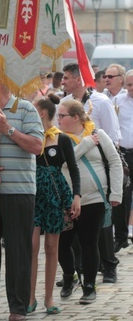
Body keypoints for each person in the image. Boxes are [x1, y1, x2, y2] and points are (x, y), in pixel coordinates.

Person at [0, 68, 44, 321]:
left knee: (18, 250)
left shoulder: (25, 109)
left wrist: (7, 129)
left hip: (18, 191)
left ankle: (17, 307)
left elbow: (37, 146)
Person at [57, 99, 122, 304]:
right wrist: (84, 145)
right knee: (62, 245)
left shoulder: (98, 135)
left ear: (75, 117)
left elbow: (114, 162)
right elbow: (64, 164)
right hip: (65, 201)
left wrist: (116, 194)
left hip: (94, 198)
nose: (57, 120)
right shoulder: (57, 139)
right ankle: (70, 276)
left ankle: (89, 286)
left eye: (62, 116)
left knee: (88, 243)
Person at [28, 94, 81, 315]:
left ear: (40, 113)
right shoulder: (29, 137)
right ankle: (29, 296)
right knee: (31, 246)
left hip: (54, 195)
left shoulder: (62, 139)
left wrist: (77, 196)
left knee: (52, 247)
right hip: (32, 194)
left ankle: (49, 297)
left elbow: (73, 168)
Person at [115, 69, 133, 252]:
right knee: (123, 194)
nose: (130, 89)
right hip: (125, 154)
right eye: (128, 85)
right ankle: (121, 236)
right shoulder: (118, 101)